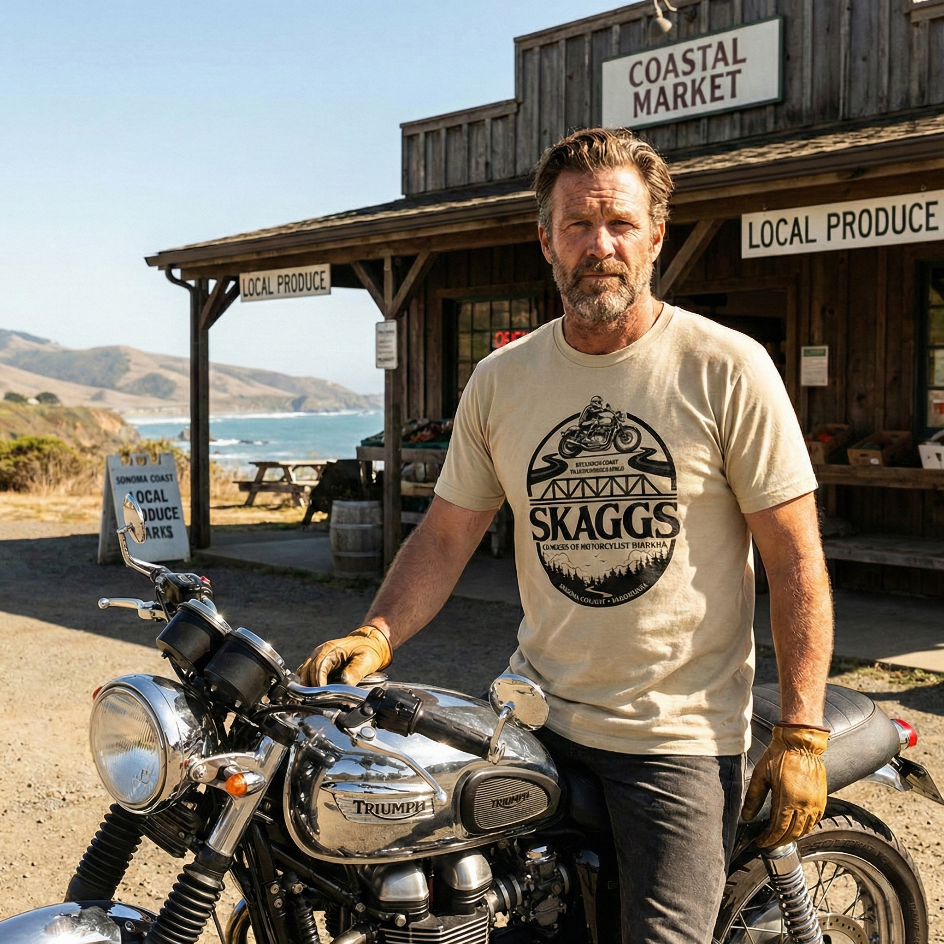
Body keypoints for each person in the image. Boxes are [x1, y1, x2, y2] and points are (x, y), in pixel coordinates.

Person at [300, 127, 833, 944]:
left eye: (620, 224)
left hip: (677, 737)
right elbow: (446, 535)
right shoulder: (502, 381)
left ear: (656, 236)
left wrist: (800, 731)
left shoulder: (727, 366)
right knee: (459, 909)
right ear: (545, 239)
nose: (600, 246)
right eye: (578, 226)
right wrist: (377, 631)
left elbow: (794, 557)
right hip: (534, 717)